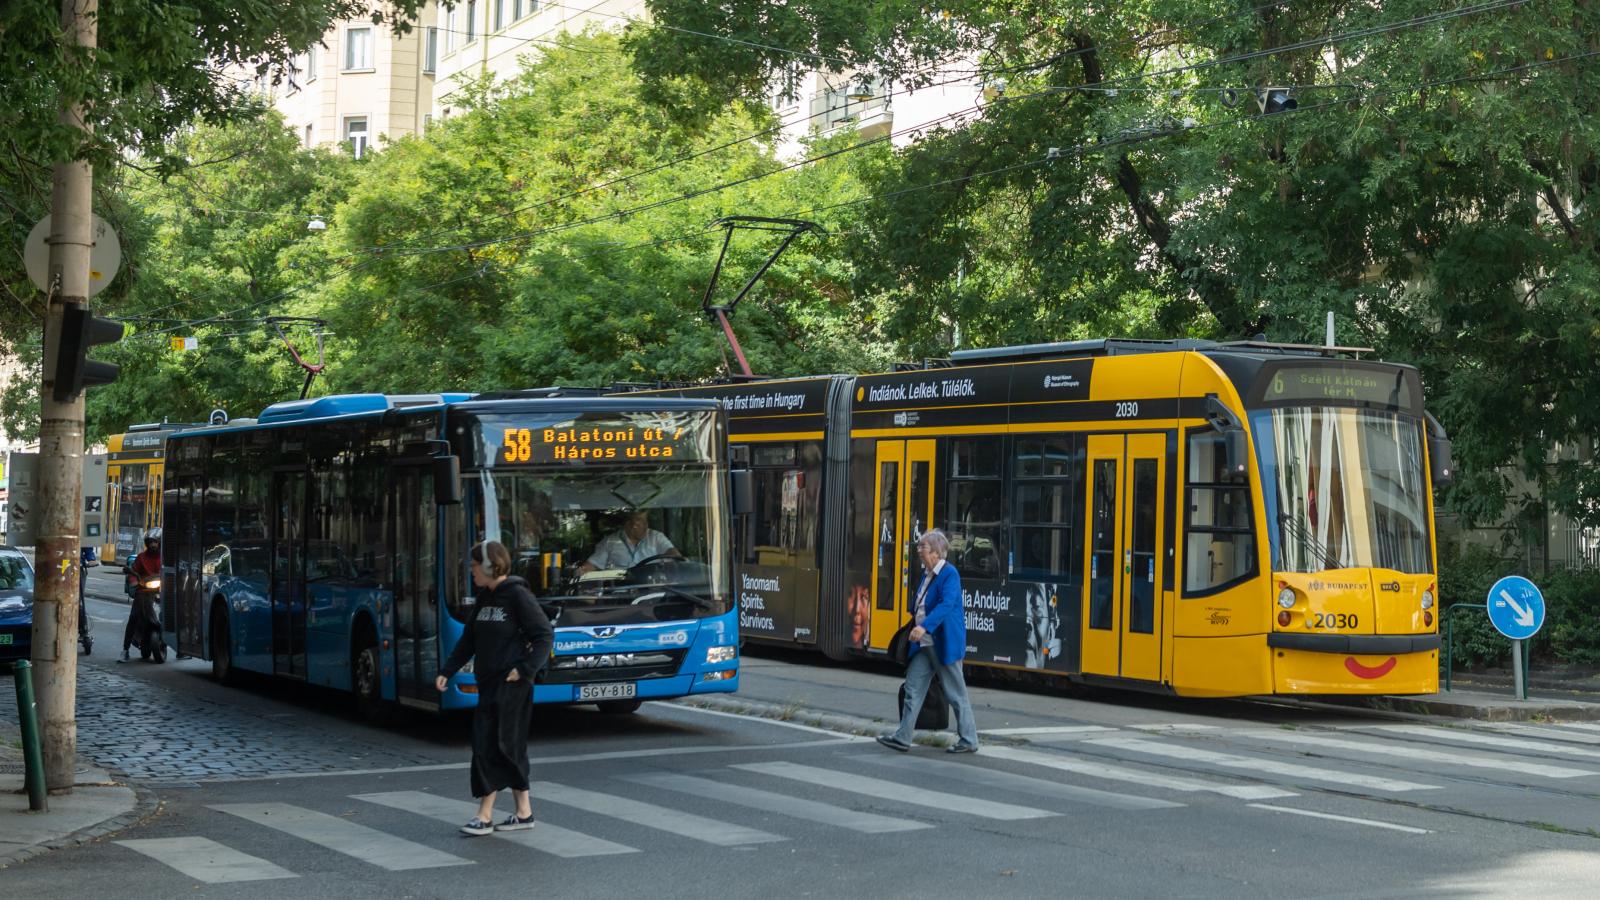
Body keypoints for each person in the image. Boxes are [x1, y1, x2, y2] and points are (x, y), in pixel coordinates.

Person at [436, 541, 555, 836]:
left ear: (490, 566)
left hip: (512, 685)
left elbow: (544, 635)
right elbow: (469, 640)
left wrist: (525, 670)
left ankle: (484, 815)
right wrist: (447, 671)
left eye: (475, 566)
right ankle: (523, 812)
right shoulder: (485, 598)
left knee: (491, 744)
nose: (471, 571)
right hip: (488, 684)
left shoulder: (517, 595)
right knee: (504, 745)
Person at [876, 529, 980, 754]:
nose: (919, 551)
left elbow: (947, 604)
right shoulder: (927, 574)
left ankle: (969, 739)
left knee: (955, 692)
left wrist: (924, 625)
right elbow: (918, 605)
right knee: (913, 688)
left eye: (922, 547)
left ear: (935, 552)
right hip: (924, 643)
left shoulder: (949, 574)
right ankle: (903, 737)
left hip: (943, 642)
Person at [577, 509, 679, 574]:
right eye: (641, 522)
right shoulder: (610, 542)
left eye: (646, 522)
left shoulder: (656, 537)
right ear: (631, 525)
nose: (647, 526)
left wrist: (680, 562)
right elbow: (592, 565)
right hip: (621, 593)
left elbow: (673, 554)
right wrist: (581, 572)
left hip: (653, 590)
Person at [121, 529, 161, 662]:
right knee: (133, 617)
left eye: (155, 542)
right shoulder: (141, 557)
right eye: (150, 542)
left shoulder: (165, 558)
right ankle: (125, 649)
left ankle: (180, 649)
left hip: (162, 592)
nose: (153, 545)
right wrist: (134, 581)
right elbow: (133, 572)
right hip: (143, 592)